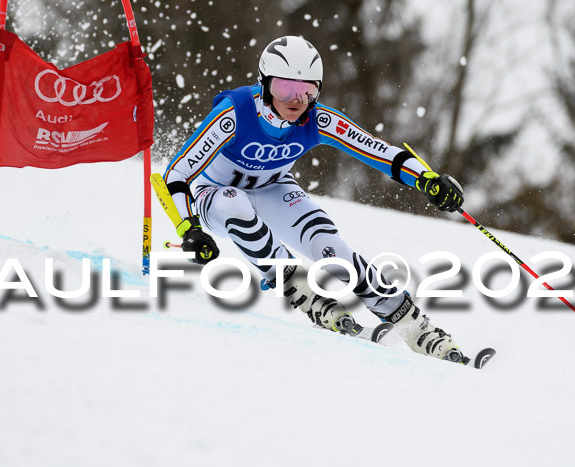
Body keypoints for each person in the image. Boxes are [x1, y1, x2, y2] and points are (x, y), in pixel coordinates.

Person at [161, 36, 468, 364]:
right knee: (235, 202)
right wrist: (188, 227)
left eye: (307, 91)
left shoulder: (317, 119)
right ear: (263, 83)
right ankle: (302, 291)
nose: (296, 101)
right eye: (284, 89)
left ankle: (413, 325)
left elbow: (378, 151)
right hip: (215, 195)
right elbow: (177, 172)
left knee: (329, 247)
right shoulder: (235, 113)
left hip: (272, 187)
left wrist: (427, 180)